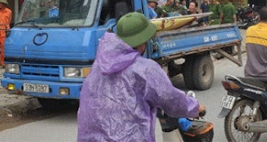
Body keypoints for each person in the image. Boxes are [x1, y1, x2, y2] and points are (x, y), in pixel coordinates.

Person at [77, 12, 206, 141]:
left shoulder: (99, 66)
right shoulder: (146, 68)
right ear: (142, 41)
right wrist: (195, 108)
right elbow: (170, 97)